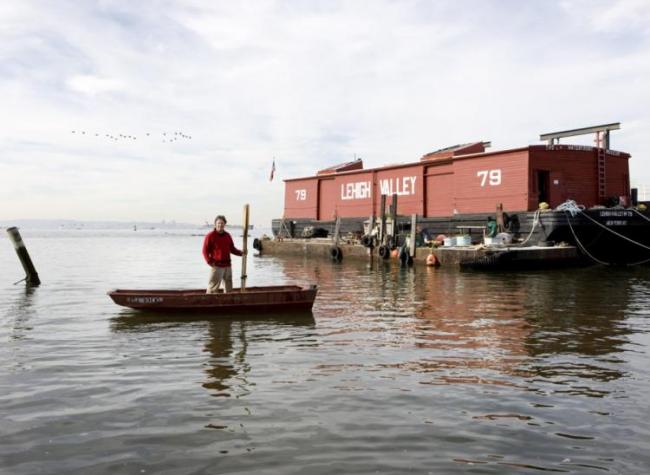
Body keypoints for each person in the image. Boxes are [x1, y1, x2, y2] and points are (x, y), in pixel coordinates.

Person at [202, 215, 245, 293]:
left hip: (228, 266)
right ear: (215, 224)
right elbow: (205, 251)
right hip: (216, 266)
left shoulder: (227, 236)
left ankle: (227, 301)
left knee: (228, 287)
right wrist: (210, 262)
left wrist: (241, 253)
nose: (220, 225)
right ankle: (210, 301)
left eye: (222, 223)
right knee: (213, 287)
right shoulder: (210, 236)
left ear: (225, 224)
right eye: (218, 223)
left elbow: (232, 249)